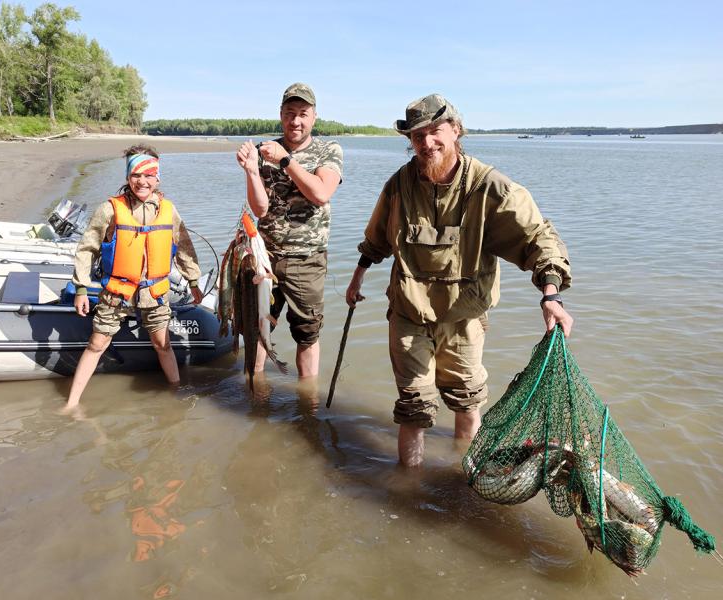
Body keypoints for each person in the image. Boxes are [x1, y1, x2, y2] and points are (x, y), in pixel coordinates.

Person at [346, 94, 573, 467]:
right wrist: (357, 277)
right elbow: (376, 239)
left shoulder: (489, 186)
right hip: (409, 313)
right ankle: (410, 487)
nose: (427, 143)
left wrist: (551, 295)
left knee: (467, 401)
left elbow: (539, 237)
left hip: (465, 317)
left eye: (435, 131)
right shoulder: (399, 186)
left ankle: (461, 478)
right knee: (414, 408)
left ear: (456, 130)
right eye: (417, 136)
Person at [66, 145, 202, 409]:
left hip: (155, 293)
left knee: (163, 345)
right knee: (96, 344)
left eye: (149, 175)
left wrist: (193, 280)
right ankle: (71, 403)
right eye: (136, 174)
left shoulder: (168, 211)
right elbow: (87, 248)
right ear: (128, 176)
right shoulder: (109, 210)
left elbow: (184, 247)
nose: (142, 181)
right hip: (117, 293)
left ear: (157, 178)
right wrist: (81, 288)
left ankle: (176, 392)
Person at [235, 83, 343, 378]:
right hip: (264, 259)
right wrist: (252, 171)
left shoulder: (328, 150)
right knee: (257, 328)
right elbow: (259, 209)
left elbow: (321, 193)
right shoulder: (264, 151)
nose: (296, 121)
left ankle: (307, 404)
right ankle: (255, 392)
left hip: (306, 261)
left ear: (314, 117)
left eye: (303, 114)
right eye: (290, 113)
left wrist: (285, 159)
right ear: (281, 115)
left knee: (307, 335)